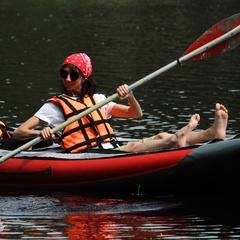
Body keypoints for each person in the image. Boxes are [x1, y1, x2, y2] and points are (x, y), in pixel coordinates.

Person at [12, 53, 228, 153]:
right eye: (63, 73)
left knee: (160, 135)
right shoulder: (55, 106)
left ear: (84, 76)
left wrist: (130, 96)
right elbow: (20, 132)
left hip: (110, 148)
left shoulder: (97, 101)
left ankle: (211, 133)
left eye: (73, 75)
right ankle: (175, 141)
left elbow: (136, 115)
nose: (67, 79)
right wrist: (40, 133)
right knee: (135, 146)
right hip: (90, 156)